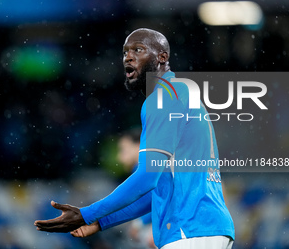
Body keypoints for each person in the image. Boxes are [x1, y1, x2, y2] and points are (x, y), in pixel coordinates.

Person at [34, 28, 235, 249]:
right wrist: (101, 222)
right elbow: (155, 193)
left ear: (162, 57)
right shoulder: (180, 94)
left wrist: (86, 214)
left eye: (138, 49)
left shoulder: (163, 97)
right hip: (207, 229)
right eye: (125, 52)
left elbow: (146, 178)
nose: (128, 57)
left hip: (189, 231)